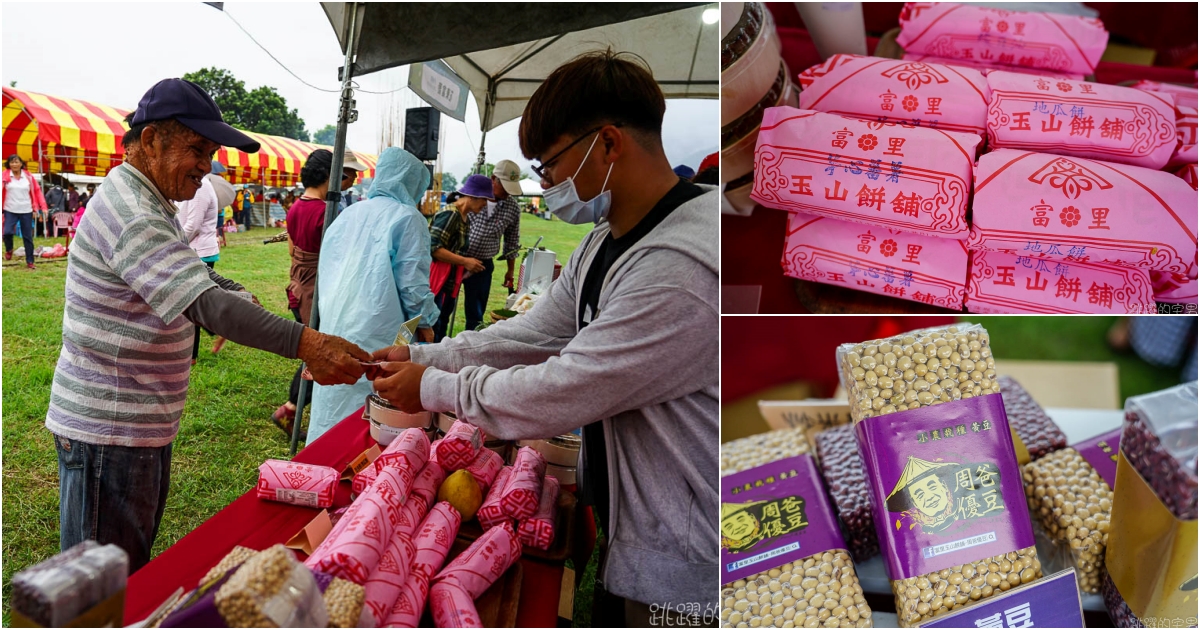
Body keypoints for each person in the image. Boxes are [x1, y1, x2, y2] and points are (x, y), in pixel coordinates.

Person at [368, 50, 718, 626]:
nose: (545, 183)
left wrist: (434, 387)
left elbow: (566, 387)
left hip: (696, 557)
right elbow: (533, 334)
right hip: (646, 525)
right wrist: (424, 354)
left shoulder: (683, 265)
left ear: (608, 144)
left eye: (549, 164)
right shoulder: (604, 241)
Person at [45, 78, 370, 572]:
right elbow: (206, 304)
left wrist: (234, 291)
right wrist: (308, 343)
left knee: (126, 572)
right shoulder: (134, 211)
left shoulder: (148, 199)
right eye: (197, 149)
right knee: (102, 589)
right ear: (151, 140)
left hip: (133, 425)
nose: (207, 166)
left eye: (211, 152)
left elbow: (192, 272)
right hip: (110, 430)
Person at [307, 147, 440, 441]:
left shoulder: (348, 214)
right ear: (413, 183)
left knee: (333, 404)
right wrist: (427, 322)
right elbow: (414, 285)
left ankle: (321, 465)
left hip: (336, 321)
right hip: (381, 328)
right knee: (371, 411)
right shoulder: (409, 218)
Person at [269, 149, 359, 436]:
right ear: (328, 176)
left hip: (298, 285)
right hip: (316, 292)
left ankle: (293, 407)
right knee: (319, 351)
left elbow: (293, 249)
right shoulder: (326, 212)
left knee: (314, 348)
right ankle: (291, 408)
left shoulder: (296, 206)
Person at [176, 162, 232, 365]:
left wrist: (175, 245)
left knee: (193, 304)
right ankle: (220, 327)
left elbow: (194, 225)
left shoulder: (201, 188)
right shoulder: (194, 184)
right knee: (193, 303)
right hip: (192, 249)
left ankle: (192, 355)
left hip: (199, 251)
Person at [460, 159, 523, 332]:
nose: (508, 193)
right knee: (443, 308)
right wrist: (461, 261)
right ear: (494, 179)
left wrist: (510, 271)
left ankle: (468, 349)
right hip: (457, 260)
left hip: (483, 265)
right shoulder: (473, 196)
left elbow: (512, 241)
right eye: (505, 186)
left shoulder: (513, 208)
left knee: (475, 314)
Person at [429, 175, 492, 341]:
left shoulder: (465, 217)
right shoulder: (451, 215)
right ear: (472, 196)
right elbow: (433, 247)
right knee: (434, 326)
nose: (485, 204)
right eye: (484, 199)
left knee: (442, 323)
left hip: (449, 282)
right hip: (437, 283)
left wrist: (466, 267)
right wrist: (465, 261)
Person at [3, 154, 47, 269]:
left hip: (26, 209)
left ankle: (30, 261)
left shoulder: (28, 177)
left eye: (17, 162)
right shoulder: (4, 176)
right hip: (10, 209)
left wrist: (43, 207)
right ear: (9, 164)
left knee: (27, 236)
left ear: (21, 164)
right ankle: (9, 249)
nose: (14, 164)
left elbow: (37, 192)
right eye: (12, 162)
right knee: (7, 232)